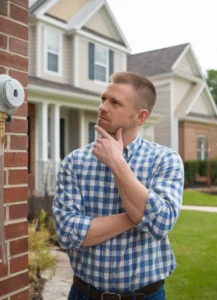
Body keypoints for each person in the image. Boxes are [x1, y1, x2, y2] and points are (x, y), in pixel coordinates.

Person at [52, 72, 184, 300]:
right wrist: (137, 216)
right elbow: (67, 231)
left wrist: (117, 163)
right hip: (85, 294)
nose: (103, 107)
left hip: (146, 296)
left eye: (115, 102)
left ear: (140, 116)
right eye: (104, 98)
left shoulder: (165, 160)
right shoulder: (74, 162)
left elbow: (161, 224)